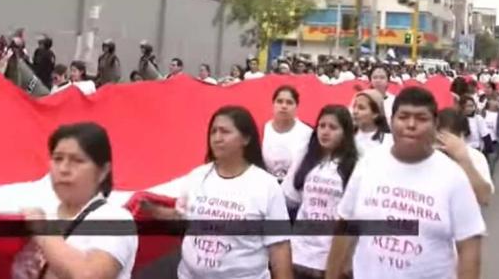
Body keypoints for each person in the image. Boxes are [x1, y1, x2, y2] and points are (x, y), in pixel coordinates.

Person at [326, 87, 485, 279]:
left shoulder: (454, 177)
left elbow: (469, 247)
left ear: (435, 124)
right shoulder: (368, 164)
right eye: (403, 117)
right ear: (391, 121)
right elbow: (345, 227)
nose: (411, 124)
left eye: (421, 118)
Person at [147, 106, 293, 279]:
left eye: (225, 132)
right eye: (213, 132)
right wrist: (152, 209)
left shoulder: (266, 186)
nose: (217, 138)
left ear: (246, 138)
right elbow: (182, 217)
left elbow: (279, 247)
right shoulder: (197, 176)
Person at [14, 122, 137, 279]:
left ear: (103, 171)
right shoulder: (43, 215)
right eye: (58, 159)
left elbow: (89, 275)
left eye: (77, 160)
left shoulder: (115, 219)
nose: (64, 169)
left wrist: (43, 229)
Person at [282, 105, 358, 279]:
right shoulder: (306, 158)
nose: (325, 132)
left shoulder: (354, 166)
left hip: (331, 254)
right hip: (300, 251)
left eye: (333, 127)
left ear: (345, 132)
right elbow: (290, 197)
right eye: (322, 126)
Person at [436, 108, 494, 206]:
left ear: (461, 135)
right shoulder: (426, 156)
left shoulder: (475, 157)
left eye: (445, 136)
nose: (441, 141)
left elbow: (485, 198)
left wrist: (464, 161)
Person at [262, 85, 314, 182]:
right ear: (273, 104)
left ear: (296, 106)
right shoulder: (262, 130)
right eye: (279, 101)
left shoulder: (308, 133)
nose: (284, 106)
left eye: (289, 102)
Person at [351, 89, 393, 158]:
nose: (355, 111)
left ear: (375, 114)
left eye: (361, 108)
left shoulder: (388, 141)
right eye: (354, 106)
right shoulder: (347, 138)